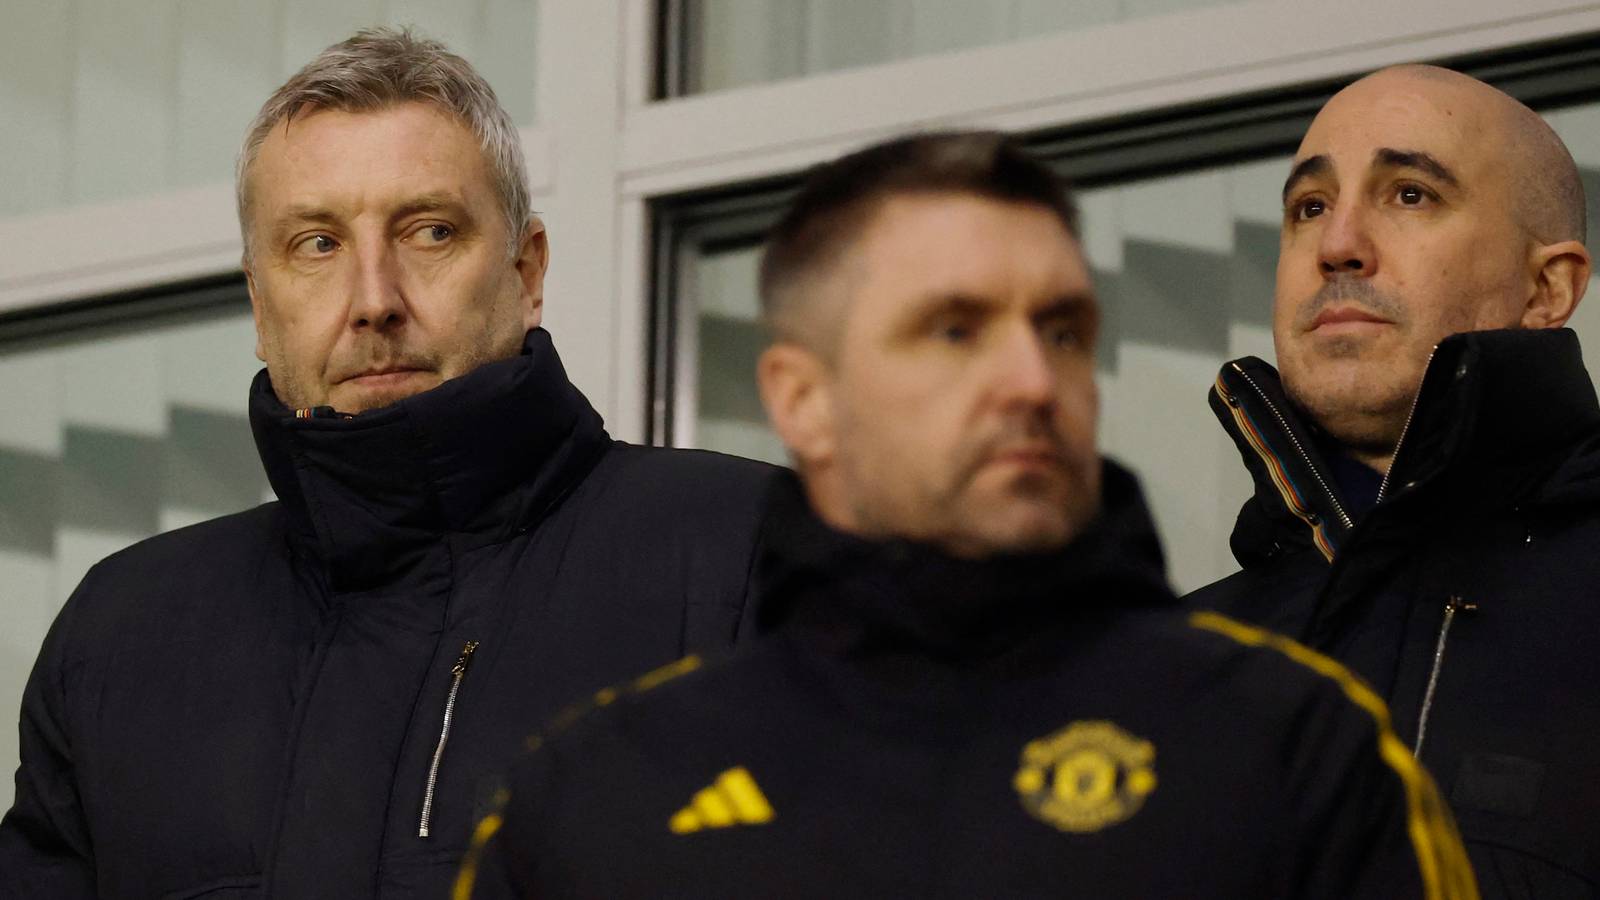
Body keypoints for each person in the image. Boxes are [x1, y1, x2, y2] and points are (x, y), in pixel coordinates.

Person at [456, 131, 1477, 899]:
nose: (1031, 380)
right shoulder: (602, 790)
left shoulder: (1283, 742)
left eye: (1063, 330)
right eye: (954, 329)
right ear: (803, 398)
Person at [0, 28, 774, 899]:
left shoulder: (751, 556)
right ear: (260, 306)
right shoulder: (121, 640)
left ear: (527, 272)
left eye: (430, 231)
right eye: (317, 244)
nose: (374, 300)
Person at [1186, 64, 1599, 897]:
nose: (1337, 244)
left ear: (1547, 287)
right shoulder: (1167, 666)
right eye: (1310, 207)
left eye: (1410, 194)